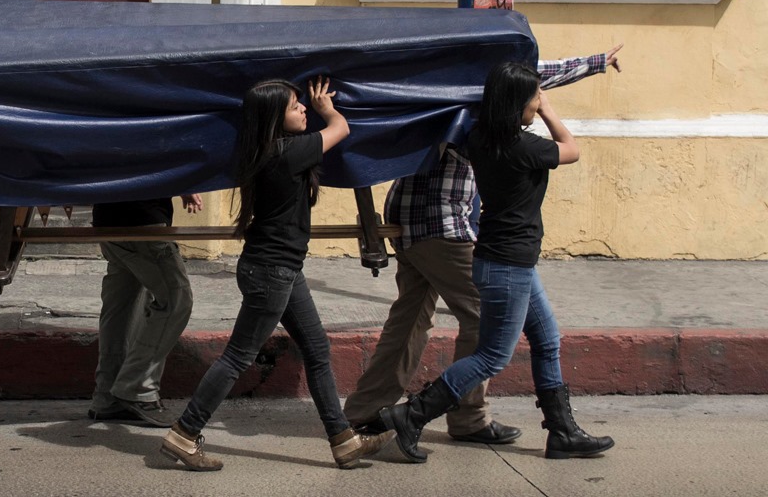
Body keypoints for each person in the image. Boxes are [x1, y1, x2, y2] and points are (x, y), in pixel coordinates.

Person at [345, 48, 624, 445]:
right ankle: (461, 417)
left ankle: (364, 413)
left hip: (404, 215)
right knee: (484, 322)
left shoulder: (439, 80)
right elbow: (536, 83)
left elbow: (532, 78)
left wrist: (594, 63)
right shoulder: (493, 113)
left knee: (410, 320)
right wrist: (592, 65)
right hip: (442, 224)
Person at [162, 79, 387, 472]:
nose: (304, 109)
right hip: (272, 272)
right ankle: (184, 432)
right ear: (273, 118)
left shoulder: (268, 151)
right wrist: (326, 108)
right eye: (295, 105)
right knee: (237, 357)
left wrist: (309, 107)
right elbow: (341, 129)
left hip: (279, 269)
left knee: (317, 350)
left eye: (303, 103)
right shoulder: (286, 152)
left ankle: (343, 440)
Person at [88, 190, 203, 427]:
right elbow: (162, 152)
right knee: (176, 299)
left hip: (107, 217)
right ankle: (137, 387)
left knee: (122, 306)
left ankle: (107, 398)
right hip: (143, 221)